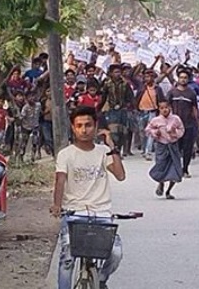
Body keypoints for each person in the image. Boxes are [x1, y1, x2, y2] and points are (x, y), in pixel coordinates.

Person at [50, 106, 126, 289]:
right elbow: (60, 180)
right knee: (67, 257)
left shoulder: (102, 152)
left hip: (102, 214)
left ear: (96, 126)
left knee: (115, 253)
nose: (84, 130)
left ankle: (100, 280)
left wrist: (111, 146)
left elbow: (120, 175)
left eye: (88, 125)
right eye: (79, 125)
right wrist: (57, 205)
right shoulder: (66, 154)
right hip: (74, 214)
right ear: (73, 127)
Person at [146, 100, 185, 200]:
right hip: (161, 146)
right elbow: (148, 130)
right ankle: (161, 183)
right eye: (162, 108)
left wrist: (174, 132)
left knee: (175, 168)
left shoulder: (176, 119)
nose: (164, 110)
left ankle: (169, 191)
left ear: (170, 108)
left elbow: (181, 129)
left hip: (173, 145)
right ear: (159, 109)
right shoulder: (156, 120)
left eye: (166, 108)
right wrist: (155, 132)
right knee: (161, 166)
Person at [167, 68, 199, 178]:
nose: (183, 80)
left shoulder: (191, 93)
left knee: (187, 149)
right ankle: (176, 168)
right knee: (175, 148)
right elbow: (166, 107)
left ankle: (185, 169)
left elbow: (195, 108)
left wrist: (197, 123)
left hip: (188, 125)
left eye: (185, 78)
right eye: (181, 77)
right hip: (175, 126)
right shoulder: (172, 92)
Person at [98, 64, 135, 155]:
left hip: (123, 110)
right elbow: (103, 97)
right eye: (116, 72)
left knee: (123, 131)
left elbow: (130, 96)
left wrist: (131, 106)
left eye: (119, 72)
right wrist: (99, 108)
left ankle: (120, 148)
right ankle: (115, 149)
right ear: (111, 73)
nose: (118, 74)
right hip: (111, 110)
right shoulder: (107, 84)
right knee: (113, 131)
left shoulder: (125, 83)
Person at [136, 69, 166, 160]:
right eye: (146, 77)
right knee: (142, 132)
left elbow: (161, 100)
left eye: (150, 77)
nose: (148, 79)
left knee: (151, 132)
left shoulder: (158, 89)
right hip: (141, 112)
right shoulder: (141, 88)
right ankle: (144, 149)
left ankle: (148, 151)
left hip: (152, 112)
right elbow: (137, 98)